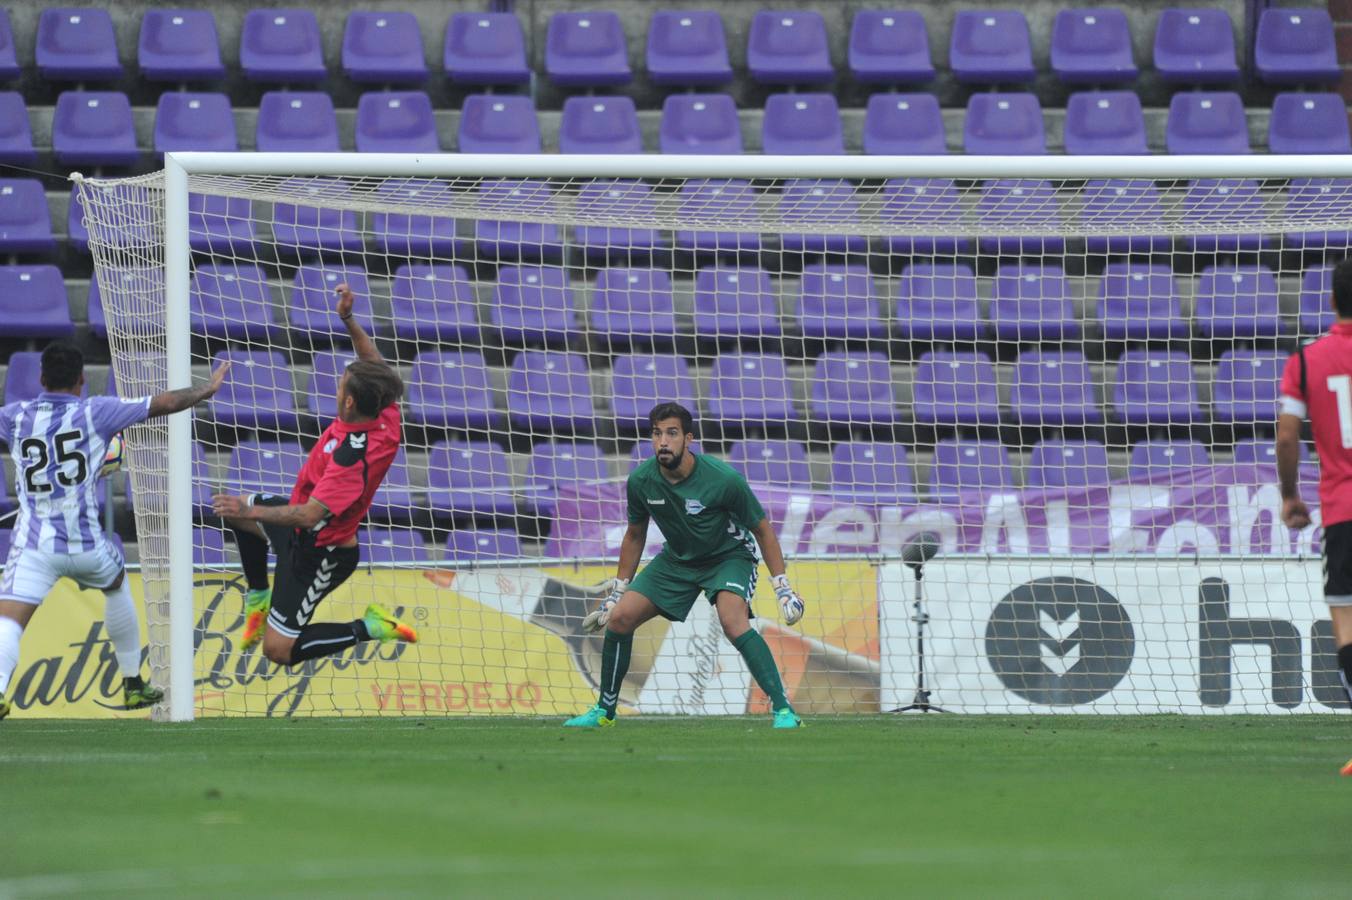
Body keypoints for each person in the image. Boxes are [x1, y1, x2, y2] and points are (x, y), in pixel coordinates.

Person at [0, 342, 230, 719]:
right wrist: (205, 389)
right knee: (117, 581)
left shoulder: (14, 416)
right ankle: (132, 683)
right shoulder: (98, 411)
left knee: (9, 619)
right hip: (88, 544)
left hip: (34, 548)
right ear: (80, 381)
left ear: (41, 378)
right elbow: (165, 402)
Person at [564, 402, 806, 729]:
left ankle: (784, 710)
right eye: (656, 433)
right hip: (678, 559)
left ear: (688, 439)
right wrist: (616, 593)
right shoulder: (641, 481)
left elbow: (762, 529)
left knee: (733, 621)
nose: (663, 441)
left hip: (728, 557)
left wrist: (783, 588)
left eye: (672, 433)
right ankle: (604, 712)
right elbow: (635, 535)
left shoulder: (724, 479)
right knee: (620, 619)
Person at [212, 284, 417, 668]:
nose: (337, 384)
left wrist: (252, 510)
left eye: (342, 383)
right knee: (236, 511)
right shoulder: (384, 415)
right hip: (301, 528)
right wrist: (347, 318)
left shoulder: (350, 460)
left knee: (278, 651)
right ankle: (259, 598)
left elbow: (308, 515)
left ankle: (369, 626)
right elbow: (374, 363)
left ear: (351, 400)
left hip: (321, 551)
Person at [1278, 256, 1352, 774]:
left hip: (1343, 511)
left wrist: (1289, 496)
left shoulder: (1305, 361)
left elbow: (1286, 434)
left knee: (1347, 624)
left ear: (1331, 302)